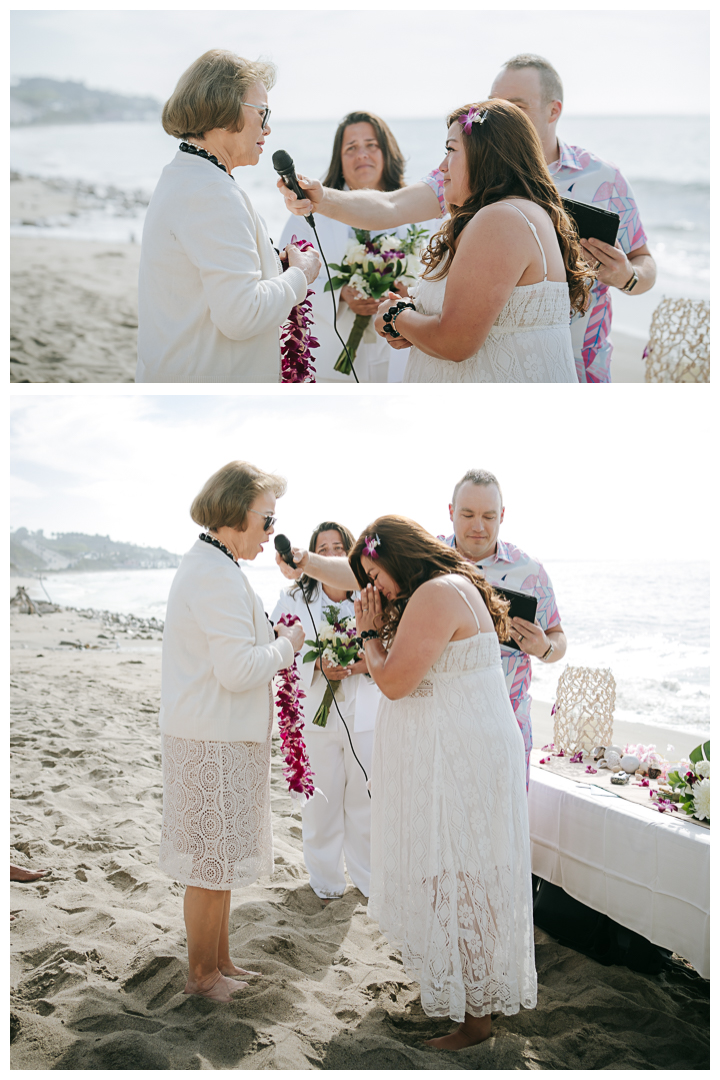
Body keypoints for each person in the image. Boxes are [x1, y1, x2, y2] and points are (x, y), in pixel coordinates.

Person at [351, 517, 537, 1048]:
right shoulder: (449, 585)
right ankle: (472, 1000)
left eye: (375, 574)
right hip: (468, 751)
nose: (375, 588)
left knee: (461, 879)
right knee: (466, 876)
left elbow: (393, 682)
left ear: (397, 557)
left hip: (461, 758)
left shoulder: (434, 594)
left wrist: (368, 630)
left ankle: (476, 1024)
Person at [159, 461, 305, 1003]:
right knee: (208, 863)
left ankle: (219, 960)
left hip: (218, 733)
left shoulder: (215, 565)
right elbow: (238, 669)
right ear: (233, 513)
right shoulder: (214, 573)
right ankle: (201, 976)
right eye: (266, 520)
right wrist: (286, 644)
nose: (272, 533)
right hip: (209, 737)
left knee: (217, 860)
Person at [372, 99, 591, 382]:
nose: (441, 166)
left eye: (450, 150)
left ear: (485, 155)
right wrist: (415, 323)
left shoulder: (501, 220)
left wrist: (395, 315)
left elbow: (455, 341)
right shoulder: (513, 214)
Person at [136, 49, 321, 383]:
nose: (268, 127)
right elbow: (242, 315)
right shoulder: (211, 193)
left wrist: (273, 263)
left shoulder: (186, 175)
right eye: (262, 113)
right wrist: (300, 275)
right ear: (224, 112)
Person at [489, 54, 656, 382]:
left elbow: (644, 262)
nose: (502, 117)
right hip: (497, 363)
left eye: (517, 107)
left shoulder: (604, 178)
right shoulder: (474, 172)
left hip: (582, 366)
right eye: (494, 105)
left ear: (554, 111)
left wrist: (627, 276)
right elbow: (398, 206)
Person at [278, 112, 437, 383]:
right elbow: (284, 273)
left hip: (405, 349)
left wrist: (409, 291)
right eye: (351, 148)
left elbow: (440, 273)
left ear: (387, 152)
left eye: (371, 145)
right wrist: (341, 294)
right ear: (339, 160)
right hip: (335, 352)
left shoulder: (422, 208)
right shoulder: (309, 212)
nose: (362, 154)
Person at [271, 521, 377, 903]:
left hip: (364, 711)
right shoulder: (295, 598)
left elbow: (391, 644)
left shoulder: (371, 594)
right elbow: (278, 647)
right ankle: (327, 881)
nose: (331, 554)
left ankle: (367, 879)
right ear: (313, 554)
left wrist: (361, 663)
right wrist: (319, 666)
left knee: (363, 800)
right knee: (322, 801)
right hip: (317, 712)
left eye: (338, 547)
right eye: (323, 547)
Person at [439, 469, 567, 785]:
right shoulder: (424, 559)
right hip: (439, 724)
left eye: (489, 516)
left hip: (506, 725)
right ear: (451, 512)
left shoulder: (531, 571)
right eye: (467, 514)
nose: (479, 526)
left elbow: (558, 639)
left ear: (502, 516)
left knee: (504, 828)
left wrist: (544, 648)